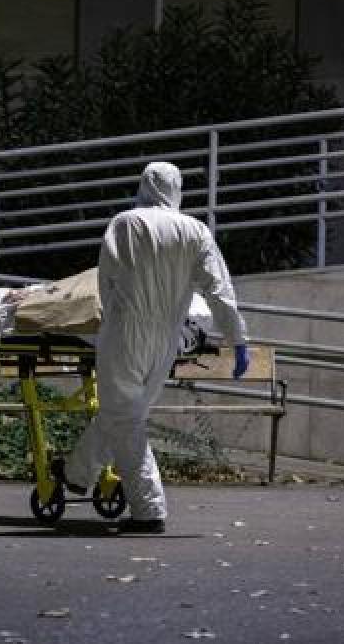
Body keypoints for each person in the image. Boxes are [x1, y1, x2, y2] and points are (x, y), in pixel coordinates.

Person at [55, 161, 249, 534]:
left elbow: (106, 279)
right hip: (167, 339)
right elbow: (219, 292)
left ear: (144, 185)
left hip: (126, 330)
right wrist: (237, 339)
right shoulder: (196, 231)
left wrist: (112, 319)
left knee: (123, 416)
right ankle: (78, 474)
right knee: (124, 414)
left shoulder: (125, 223)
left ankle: (148, 508)